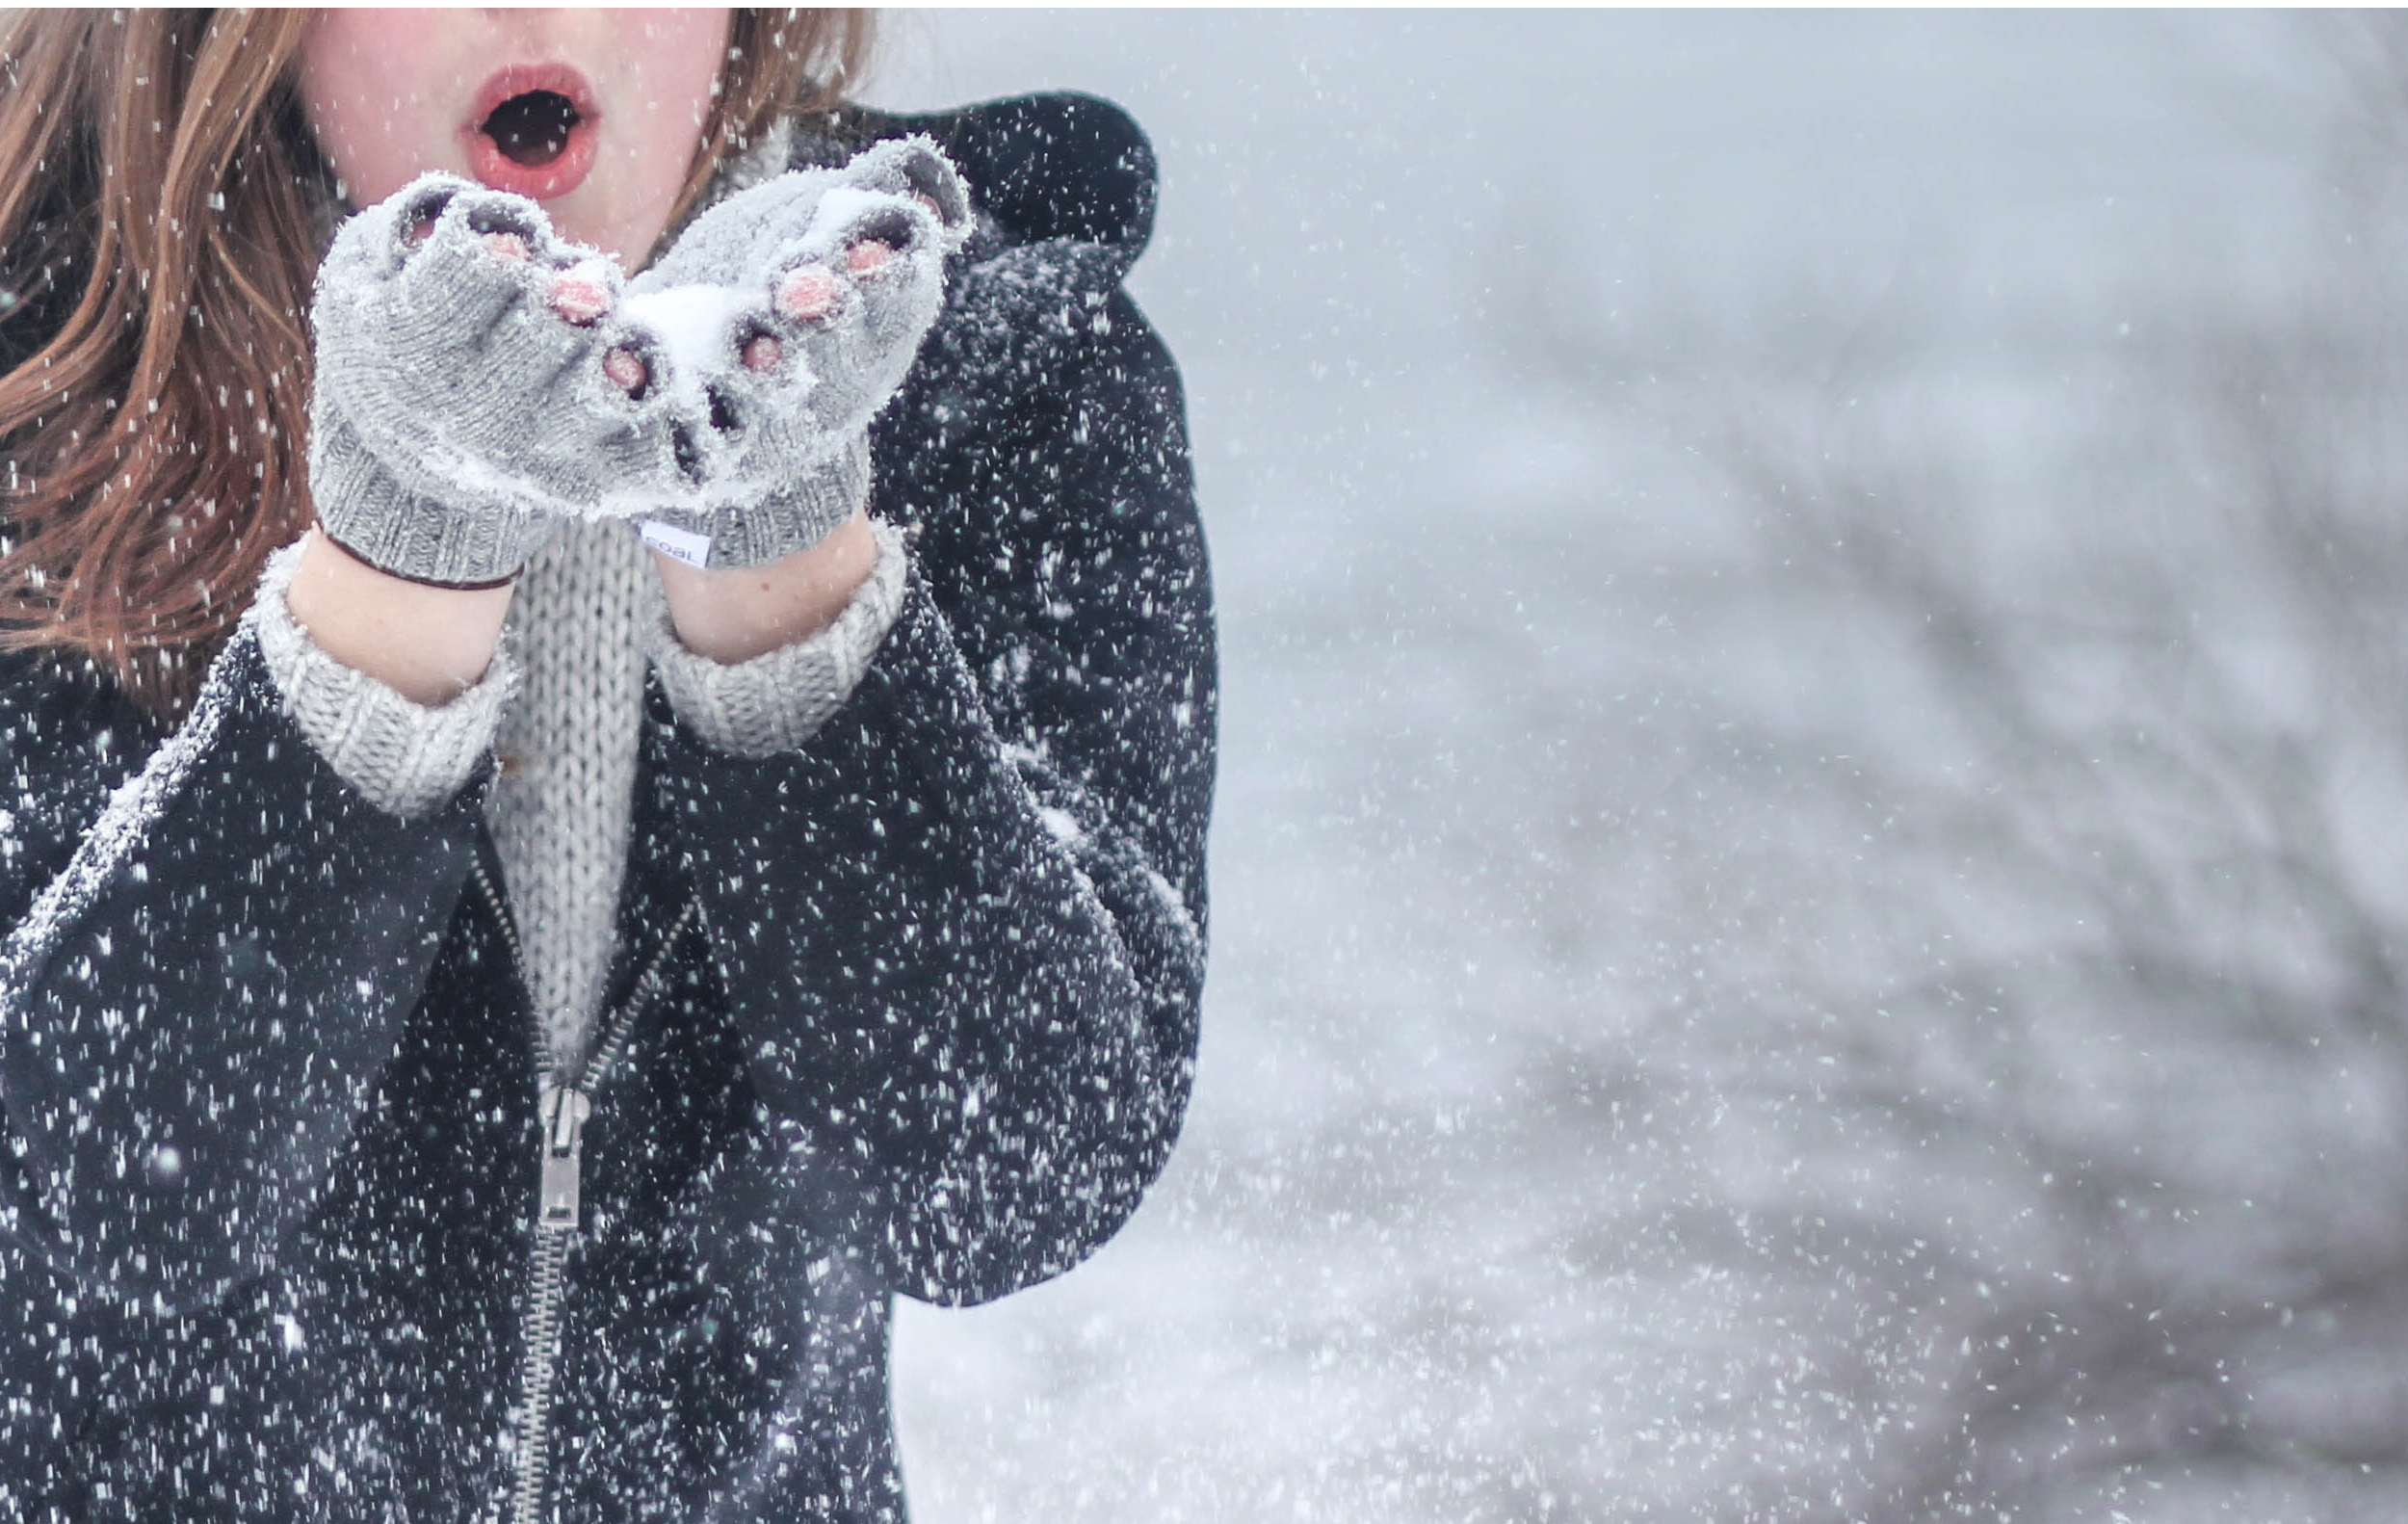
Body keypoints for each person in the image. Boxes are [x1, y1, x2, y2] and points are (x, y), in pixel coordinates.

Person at [0, 8, 1214, 1522]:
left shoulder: (1003, 377)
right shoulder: (39, 396)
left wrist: (781, 559)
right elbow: (78, 1202)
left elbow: (1013, 1173)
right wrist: (393, 579)